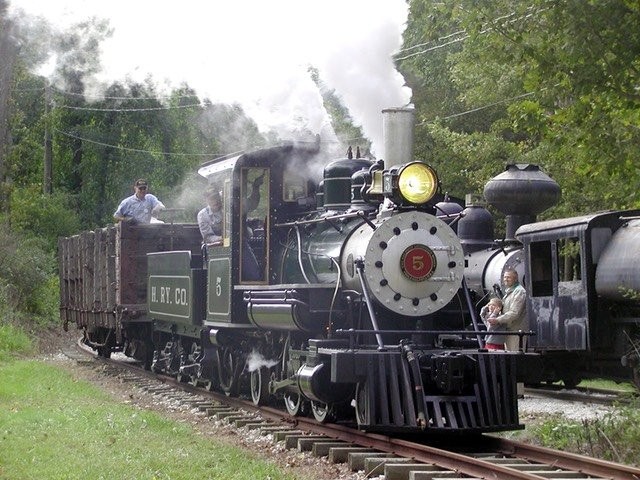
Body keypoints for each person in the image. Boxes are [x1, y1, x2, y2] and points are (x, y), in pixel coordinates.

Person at [487, 269, 527, 351]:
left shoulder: (519, 292)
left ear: (515, 279)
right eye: (505, 277)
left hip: (515, 331)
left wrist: (497, 320)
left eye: (508, 277)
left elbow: (514, 313)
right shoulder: (510, 292)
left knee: (515, 357)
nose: (505, 279)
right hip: (508, 330)